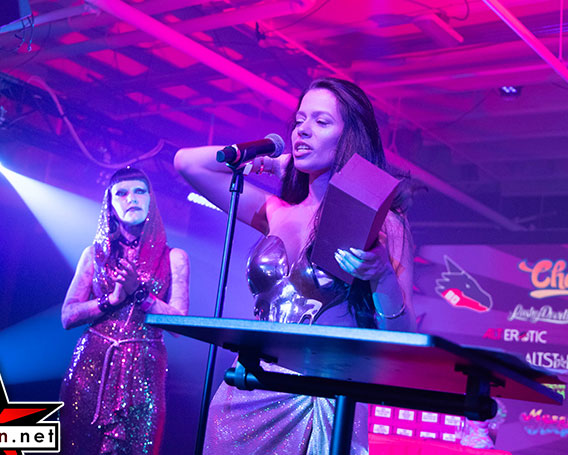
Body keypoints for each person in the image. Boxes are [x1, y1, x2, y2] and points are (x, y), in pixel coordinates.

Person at [174, 77, 415, 454]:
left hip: (322, 397)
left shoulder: (385, 224)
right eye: (299, 120)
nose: (302, 130)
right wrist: (279, 163)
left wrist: (382, 275)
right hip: (246, 390)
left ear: (349, 137)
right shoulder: (276, 211)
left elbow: (402, 335)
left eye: (321, 121)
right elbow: (187, 163)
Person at [59, 166, 189, 455]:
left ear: (151, 200)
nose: (132, 198)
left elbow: (180, 325)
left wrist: (140, 294)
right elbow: (67, 316)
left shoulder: (175, 257)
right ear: (110, 204)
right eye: (122, 193)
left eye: (140, 191)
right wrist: (112, 299)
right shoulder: (93, 254)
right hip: (91, 367)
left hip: (144, 370)